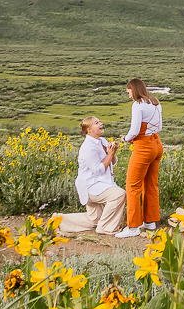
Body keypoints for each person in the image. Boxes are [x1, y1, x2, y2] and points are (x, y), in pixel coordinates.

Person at [58, 116, 141, 239]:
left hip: (103, 183)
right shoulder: (88, 147)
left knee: (93, 220)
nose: (101, 123)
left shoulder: (102, 141)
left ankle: (59, 220)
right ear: (89, 129)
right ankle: (106, 227)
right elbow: (98, 170)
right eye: (97, 123)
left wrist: (113, 152)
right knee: (119, 194)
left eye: (99, 121)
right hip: (92, 186)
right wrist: (110, 154)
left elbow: (113, 162)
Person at [123, 77, 163, 232]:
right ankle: (150, 221)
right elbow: (159, 126)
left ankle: (133, 226)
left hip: (144, 147)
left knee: (132, 185)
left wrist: (126, 139)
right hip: (157, 145)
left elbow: (134, 130)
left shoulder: (138, 105)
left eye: (129, 92)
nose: (129, 96)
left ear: (135, 90)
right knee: (151, 184)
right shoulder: (156, 103)